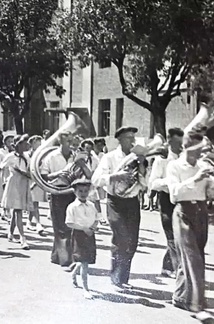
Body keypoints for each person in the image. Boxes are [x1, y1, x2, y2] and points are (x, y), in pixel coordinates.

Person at [166, 132, 214, 321]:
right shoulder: (174, 166)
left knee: (195, 255)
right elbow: (174, 194)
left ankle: (180, 296)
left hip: (201, 212)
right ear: (187, 148)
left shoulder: (203, 165)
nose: (201, 153)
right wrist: (196, 178)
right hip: (183, 211)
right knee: (193, 259)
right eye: (198, 149)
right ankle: (196, 304)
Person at [91, 126, 147, 290]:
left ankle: (123, 277)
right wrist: (116, 176)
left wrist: (142, 166)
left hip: (132, 202)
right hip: (115, 201)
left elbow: (144, 185)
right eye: (129, 138)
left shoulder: (136, 158)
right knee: (120, 237)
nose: (132, 141)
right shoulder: (109, 157)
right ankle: (116, 277)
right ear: (120, 139)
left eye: (133, 138)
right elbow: (96, 180)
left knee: (132, 241)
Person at [41, 131, 91, 267]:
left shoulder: (76, 157)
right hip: (56, 192)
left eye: (72, 141)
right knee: (59, 225)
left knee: (70, 224)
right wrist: (58, 174)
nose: (71, 145)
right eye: (68, 141)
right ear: (61, 142)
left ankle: (59, 256)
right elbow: (43, 175)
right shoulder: (51, 156)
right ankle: (65, 259)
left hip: (71, 192)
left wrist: (82, 164)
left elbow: (88, 175)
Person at [148, 127, 184, 278]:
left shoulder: (184, 158)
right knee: (172, 235)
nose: (180, 146)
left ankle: (167, 267)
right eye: (177, 143)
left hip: (181, 199)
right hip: (166, 199)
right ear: (169, 141)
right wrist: (169, 182)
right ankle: (177, 269)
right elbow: (152, 183)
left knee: (180, 236)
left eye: (181, 142)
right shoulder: (161, 159)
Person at [66, 178, 99, 300]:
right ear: (74, 191)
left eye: (86, 191)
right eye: (80, 191)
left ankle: (74, 273)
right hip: (79, 235)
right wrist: (83, 228)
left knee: (85, 260)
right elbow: (69, 223)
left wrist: (94, 227)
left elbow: (96, 218)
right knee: (84, 262)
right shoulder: (72, 207)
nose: (83, 193)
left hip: (90, 234)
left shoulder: (91, 205)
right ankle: (86, 289)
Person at [0, 134, 32, 250]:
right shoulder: (10, 156)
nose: (26, 145)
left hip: (23, 184)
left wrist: (26, 174)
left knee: (17, 209)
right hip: (14, 183)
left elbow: (29, 172)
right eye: (23, 142)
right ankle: (23, 238)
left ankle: (10, 233)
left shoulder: (27, 157)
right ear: (18, 145)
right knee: (18, 210)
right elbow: (1, 168)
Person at [26, 135, 46, 235]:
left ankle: (29, 222)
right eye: (37, 143)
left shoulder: (41, 155)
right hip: (28, 180)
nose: (39, 146)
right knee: (33, 203)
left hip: (37, 180)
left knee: (35, 203)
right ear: (32, 144)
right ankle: (38, 224)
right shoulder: (27, 155)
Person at [0, 134, 15, 222]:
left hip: (12, 173)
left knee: (10, 193)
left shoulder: (15, 151)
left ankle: (6, 211)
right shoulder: (1, 152)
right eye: (9, 141)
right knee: (5, 192)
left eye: (13, 141)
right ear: (5, 143)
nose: (11, 143)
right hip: (4, 173)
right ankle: (6, 212)